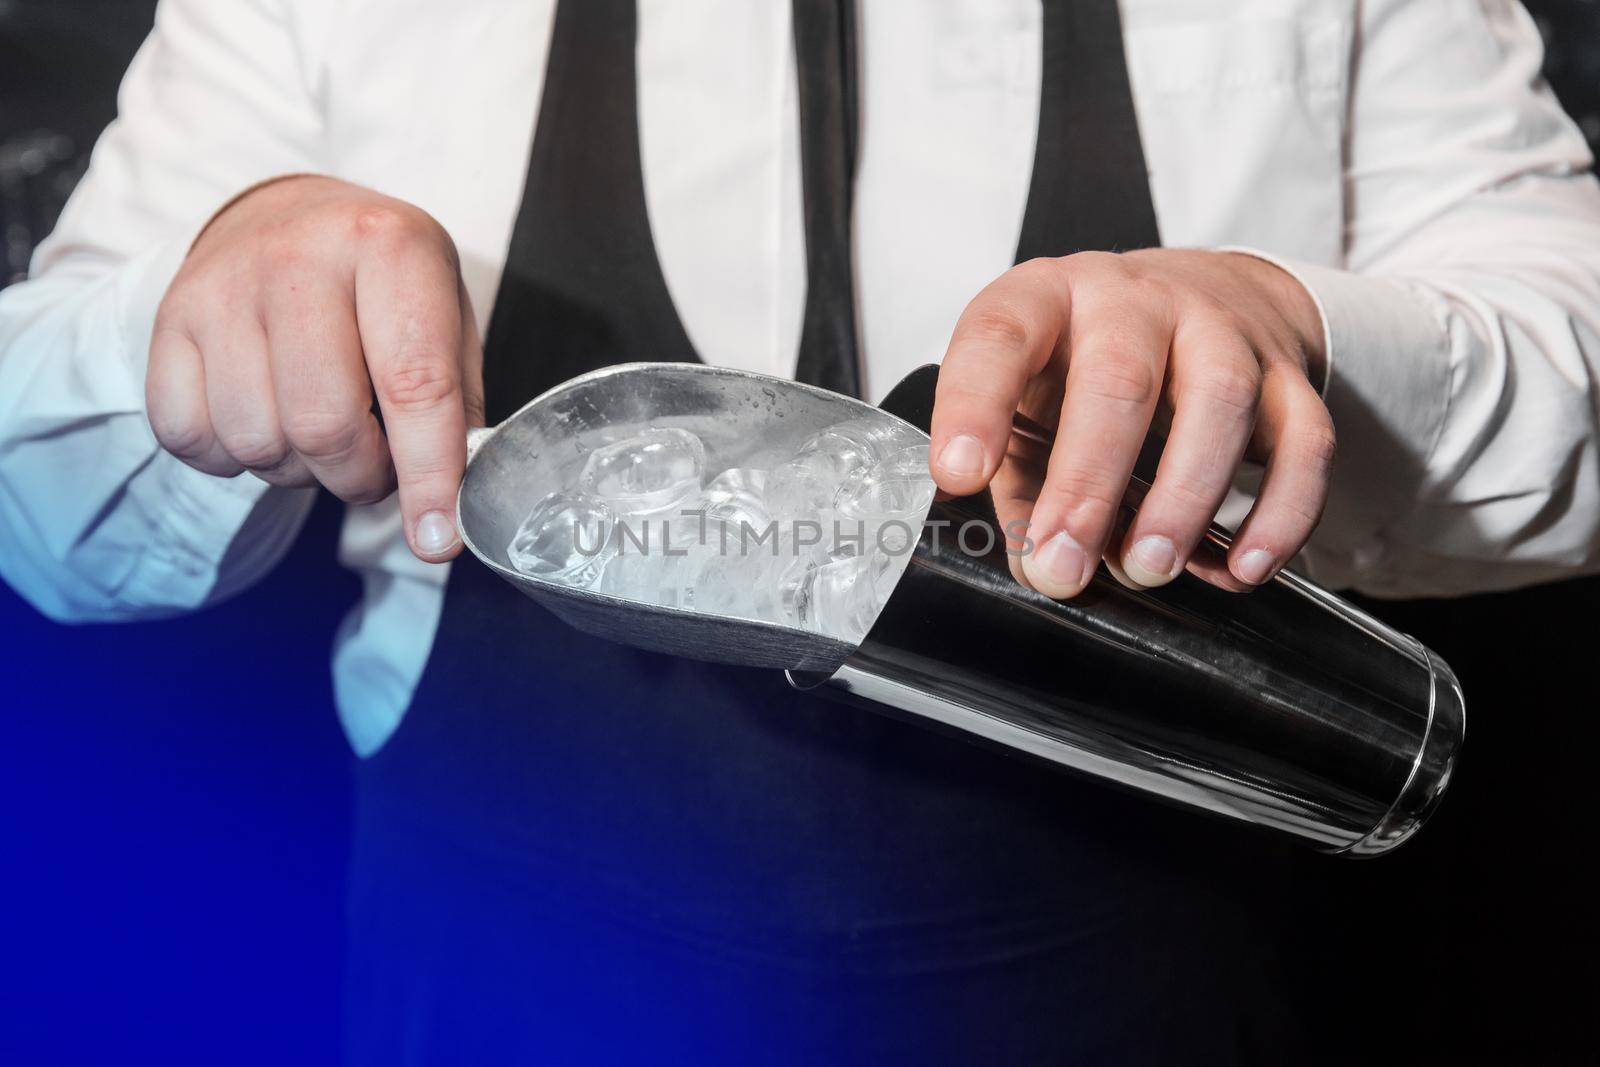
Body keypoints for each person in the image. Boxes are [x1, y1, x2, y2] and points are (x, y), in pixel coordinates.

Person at [2, 0, 1597, 1061]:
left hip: (1171, 971)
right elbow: (44, 514)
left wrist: (1300, 326)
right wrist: (200, 296)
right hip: (504, 969)